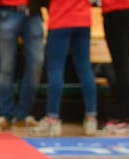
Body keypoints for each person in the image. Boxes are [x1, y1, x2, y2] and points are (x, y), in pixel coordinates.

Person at [0, 0, 45, 131]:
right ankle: (6, 115)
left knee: (36, 64)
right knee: (6, 67)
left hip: (32, 12)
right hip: (6, 11)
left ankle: (22, 115)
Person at [30, 0, 98, 137]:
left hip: (60, 19)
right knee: (85, 68)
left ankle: (53, 119)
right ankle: (91, 119)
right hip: (83, 19)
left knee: (55, 69)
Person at [99, 0, 129, 134]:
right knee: (126, 61)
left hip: (115, 8)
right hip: (128, 7)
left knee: (121, 63)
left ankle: (121, 116)